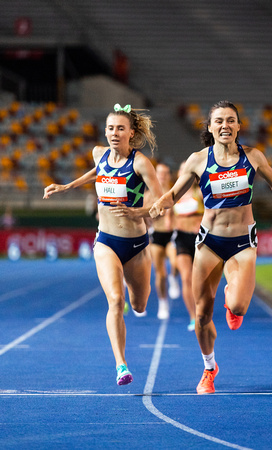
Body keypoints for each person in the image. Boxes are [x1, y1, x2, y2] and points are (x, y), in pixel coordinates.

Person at [150, 100, 272, 394]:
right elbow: (176, 192)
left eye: (230, 120)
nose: (225, 125)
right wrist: (162, 202)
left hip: (242, 242)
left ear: (239, 126)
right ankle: (209, 368)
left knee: (238, 308)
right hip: (209, 243)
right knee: (202, 315)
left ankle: (230, 293)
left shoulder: (253, 157)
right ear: (210, 127)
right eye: (219, 121)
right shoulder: (198, 160)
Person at [43, 103, 163, 386]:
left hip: (136, 245)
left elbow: (161, 203)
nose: (113, 133)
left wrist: (137, 212)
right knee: (115, 300)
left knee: (139, 303)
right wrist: (66, 186)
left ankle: (137, 303)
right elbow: (97, 171)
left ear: (131, 133)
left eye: (120, 128)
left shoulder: (140, 163)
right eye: (110, 128)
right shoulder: (100, 153)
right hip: (106, 240)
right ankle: (121, 365)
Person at [145, 162, 180, 320]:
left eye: (165, 173)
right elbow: (143, 215)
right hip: (156, 235)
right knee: (160, 274)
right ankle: (163, 302)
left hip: (172, 233)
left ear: (169, 175)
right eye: (159, 173)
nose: (162, 176)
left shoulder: (176, 192)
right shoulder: (149, 194)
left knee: (176, 263)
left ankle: (174, 278)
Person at [172, 161, 204, 331]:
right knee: (186, 277)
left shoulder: (200, 193)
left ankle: (202, 311)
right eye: (182, 169)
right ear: (178, 174)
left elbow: (213, 212)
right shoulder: (173, 196)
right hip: (181, 238)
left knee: (200, 280)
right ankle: (193, 317)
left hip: (200, 239)